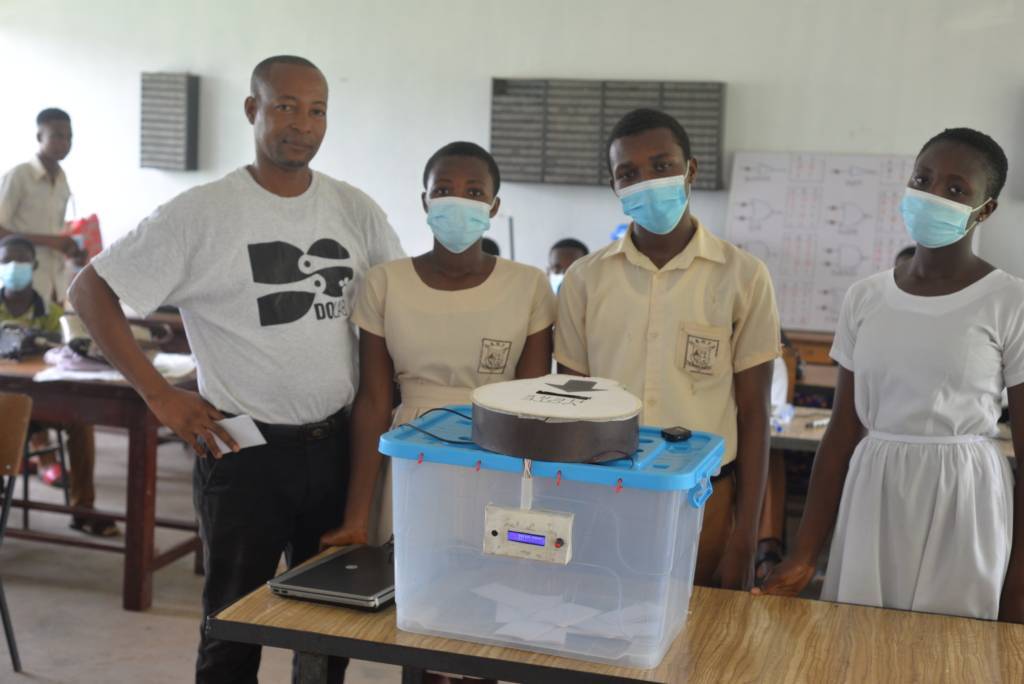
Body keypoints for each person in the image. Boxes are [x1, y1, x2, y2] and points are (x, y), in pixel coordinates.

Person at [68, 55, 404, 682]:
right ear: (252, 110)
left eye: (317, 109)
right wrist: (162, 397)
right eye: (284, 106)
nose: (301, 124)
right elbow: (90, 291)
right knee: (232, 629)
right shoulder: (201, 212)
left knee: (331, 631)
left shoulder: (354, 209)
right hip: (243, 453)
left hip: (336, 449)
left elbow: (397, 311)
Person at [758, 128, 1024, 624]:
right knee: (859, 643)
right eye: (922, 179)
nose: (931, 196)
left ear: (984, 210)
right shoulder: (866, 297)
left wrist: (1019, 583)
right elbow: (841, 432)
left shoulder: (1010, 300)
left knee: (951, 653)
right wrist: (803, 553)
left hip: (964, 495)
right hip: (874, 486)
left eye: (954, 189)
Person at [555, 108, 781, 590]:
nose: (647, 182)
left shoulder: (742, 276)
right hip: (603, 496)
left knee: (699, 647)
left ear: (690, 171)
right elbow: (568, 406)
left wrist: (747, 535)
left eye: (661, 166)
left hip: (705, 499)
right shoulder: (585, 280)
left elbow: (755, 413)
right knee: (600, 634)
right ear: (615, 187)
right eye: (628, 173)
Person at [321, 141, 554, 551]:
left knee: (488, 585)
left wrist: (530, 504)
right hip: (409, 451)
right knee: (405, 582)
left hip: (497, 454)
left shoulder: (528, 284)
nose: (458, 201)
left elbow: (531, 405)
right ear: (425, 201)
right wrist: (355, 518)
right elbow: (373, 402)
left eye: (475, 192)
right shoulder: (385, 283)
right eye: (444, 190)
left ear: (494, 206)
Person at [0, 235, 113, 535]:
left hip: (42, 403)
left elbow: (65, 355)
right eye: (6, 261)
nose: (13, 266)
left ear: (34, 265)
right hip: (3, 403)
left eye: (21, 260)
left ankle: (82, 509)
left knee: (81, 422)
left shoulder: (51, 315)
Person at [0, 108, 83, 303]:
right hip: (22, 286)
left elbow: (56, 232)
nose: (65, 143)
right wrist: (52, 242)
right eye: (57, 136)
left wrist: (70, 251)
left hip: (56, 285)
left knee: (53, 332)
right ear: (39, 136)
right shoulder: (19, 176)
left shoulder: (63, 181)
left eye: (69, 137)